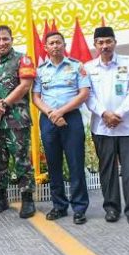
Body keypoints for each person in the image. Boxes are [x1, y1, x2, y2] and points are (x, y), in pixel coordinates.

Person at [85, 26, 129, 225]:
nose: (105, 46)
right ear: (95, 45)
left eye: (108, 41)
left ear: (115, 42)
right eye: (100, 42)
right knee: (107, 170)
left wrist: (118, 114)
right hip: (102, 127)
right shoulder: (89, 67)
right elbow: (88, 95)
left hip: (128, 126)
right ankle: (111, 208)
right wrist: (104, 113)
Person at [32, 31, 90, 225]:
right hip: (48, 119)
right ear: (45, 48)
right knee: (53, 164)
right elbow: (36, 97)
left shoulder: (76, 66)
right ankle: (59, 206)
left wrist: (61, 112)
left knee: (75, 163)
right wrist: (52, 114)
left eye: (58, 42)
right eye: (51, 43)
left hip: (71, 118)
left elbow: (83, 94)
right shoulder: (40, 71)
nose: (55, 46)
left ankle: (79, 208)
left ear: (64, 45)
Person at [0, 25, 37, 218]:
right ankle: (1, 198)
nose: (1, 43)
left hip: (17, 120)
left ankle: (27, 200)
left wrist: (4, 104)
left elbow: (25, 85)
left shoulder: (22, 59)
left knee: (21, 160)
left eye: (5, 39)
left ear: (12, 39)